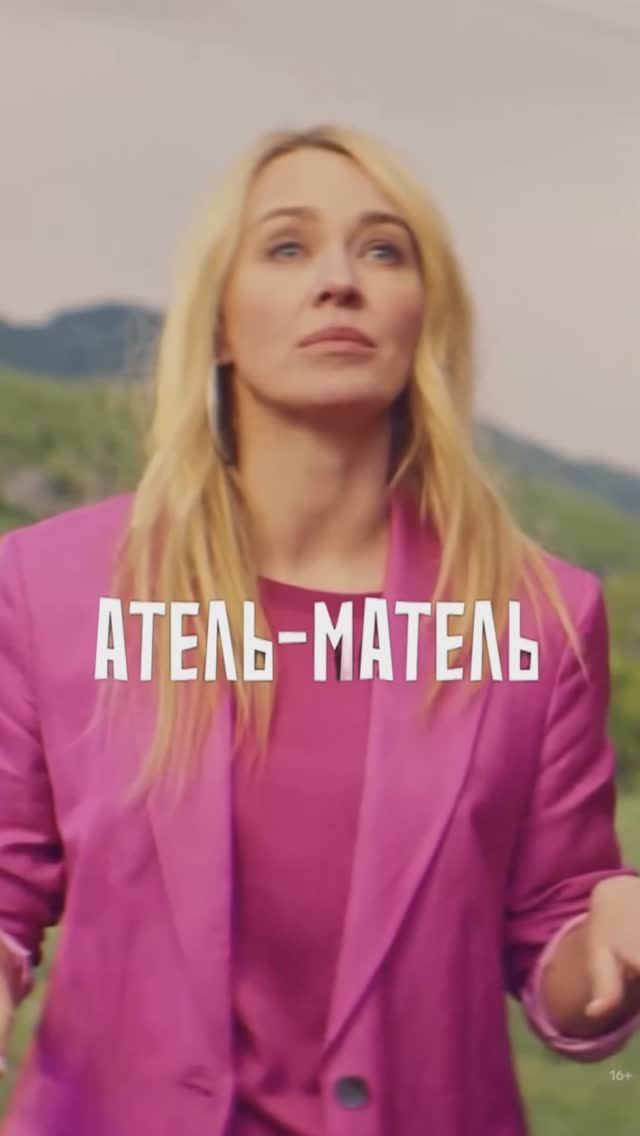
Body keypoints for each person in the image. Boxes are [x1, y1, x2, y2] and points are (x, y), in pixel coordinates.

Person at [0, 123, 639, 1136]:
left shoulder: (541, 617)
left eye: (383, 250)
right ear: (218, 321)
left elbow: (558, 930)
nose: (339, 280)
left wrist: (604, 953)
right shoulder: (49, 586)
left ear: (425, 318)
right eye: (287, 246)